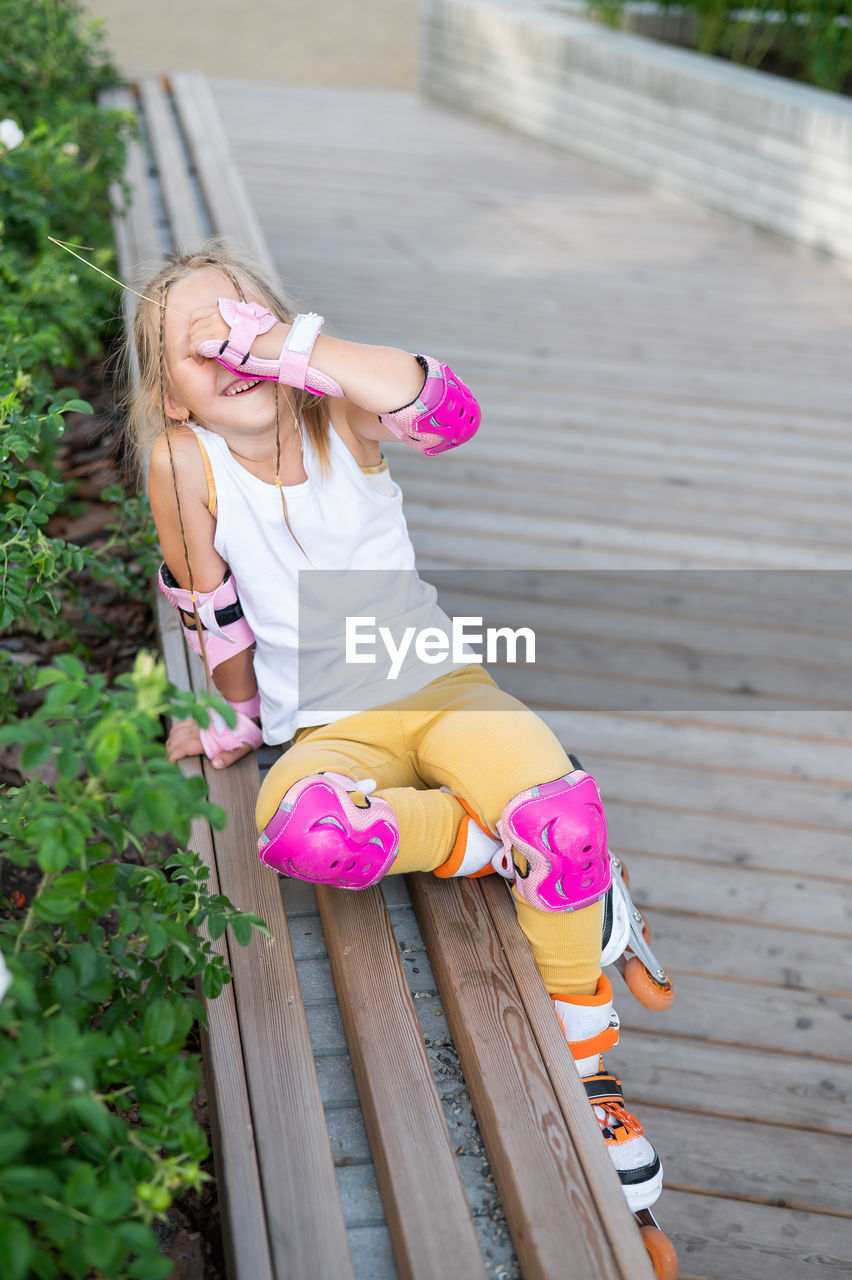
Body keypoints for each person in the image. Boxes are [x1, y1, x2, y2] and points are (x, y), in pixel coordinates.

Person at [128, 239, 663, 1217]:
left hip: (447, 690)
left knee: (568, 829)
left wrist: (297, 348)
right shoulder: (183, 457)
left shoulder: (340, 411)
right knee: (303, 831)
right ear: (171, 394)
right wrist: (232, 715)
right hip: (333, 729)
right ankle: (486, 835)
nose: (224, 341)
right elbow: (211, 602)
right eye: (195, 343)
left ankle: (591, 1073)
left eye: (241, 320)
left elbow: (448, 410)